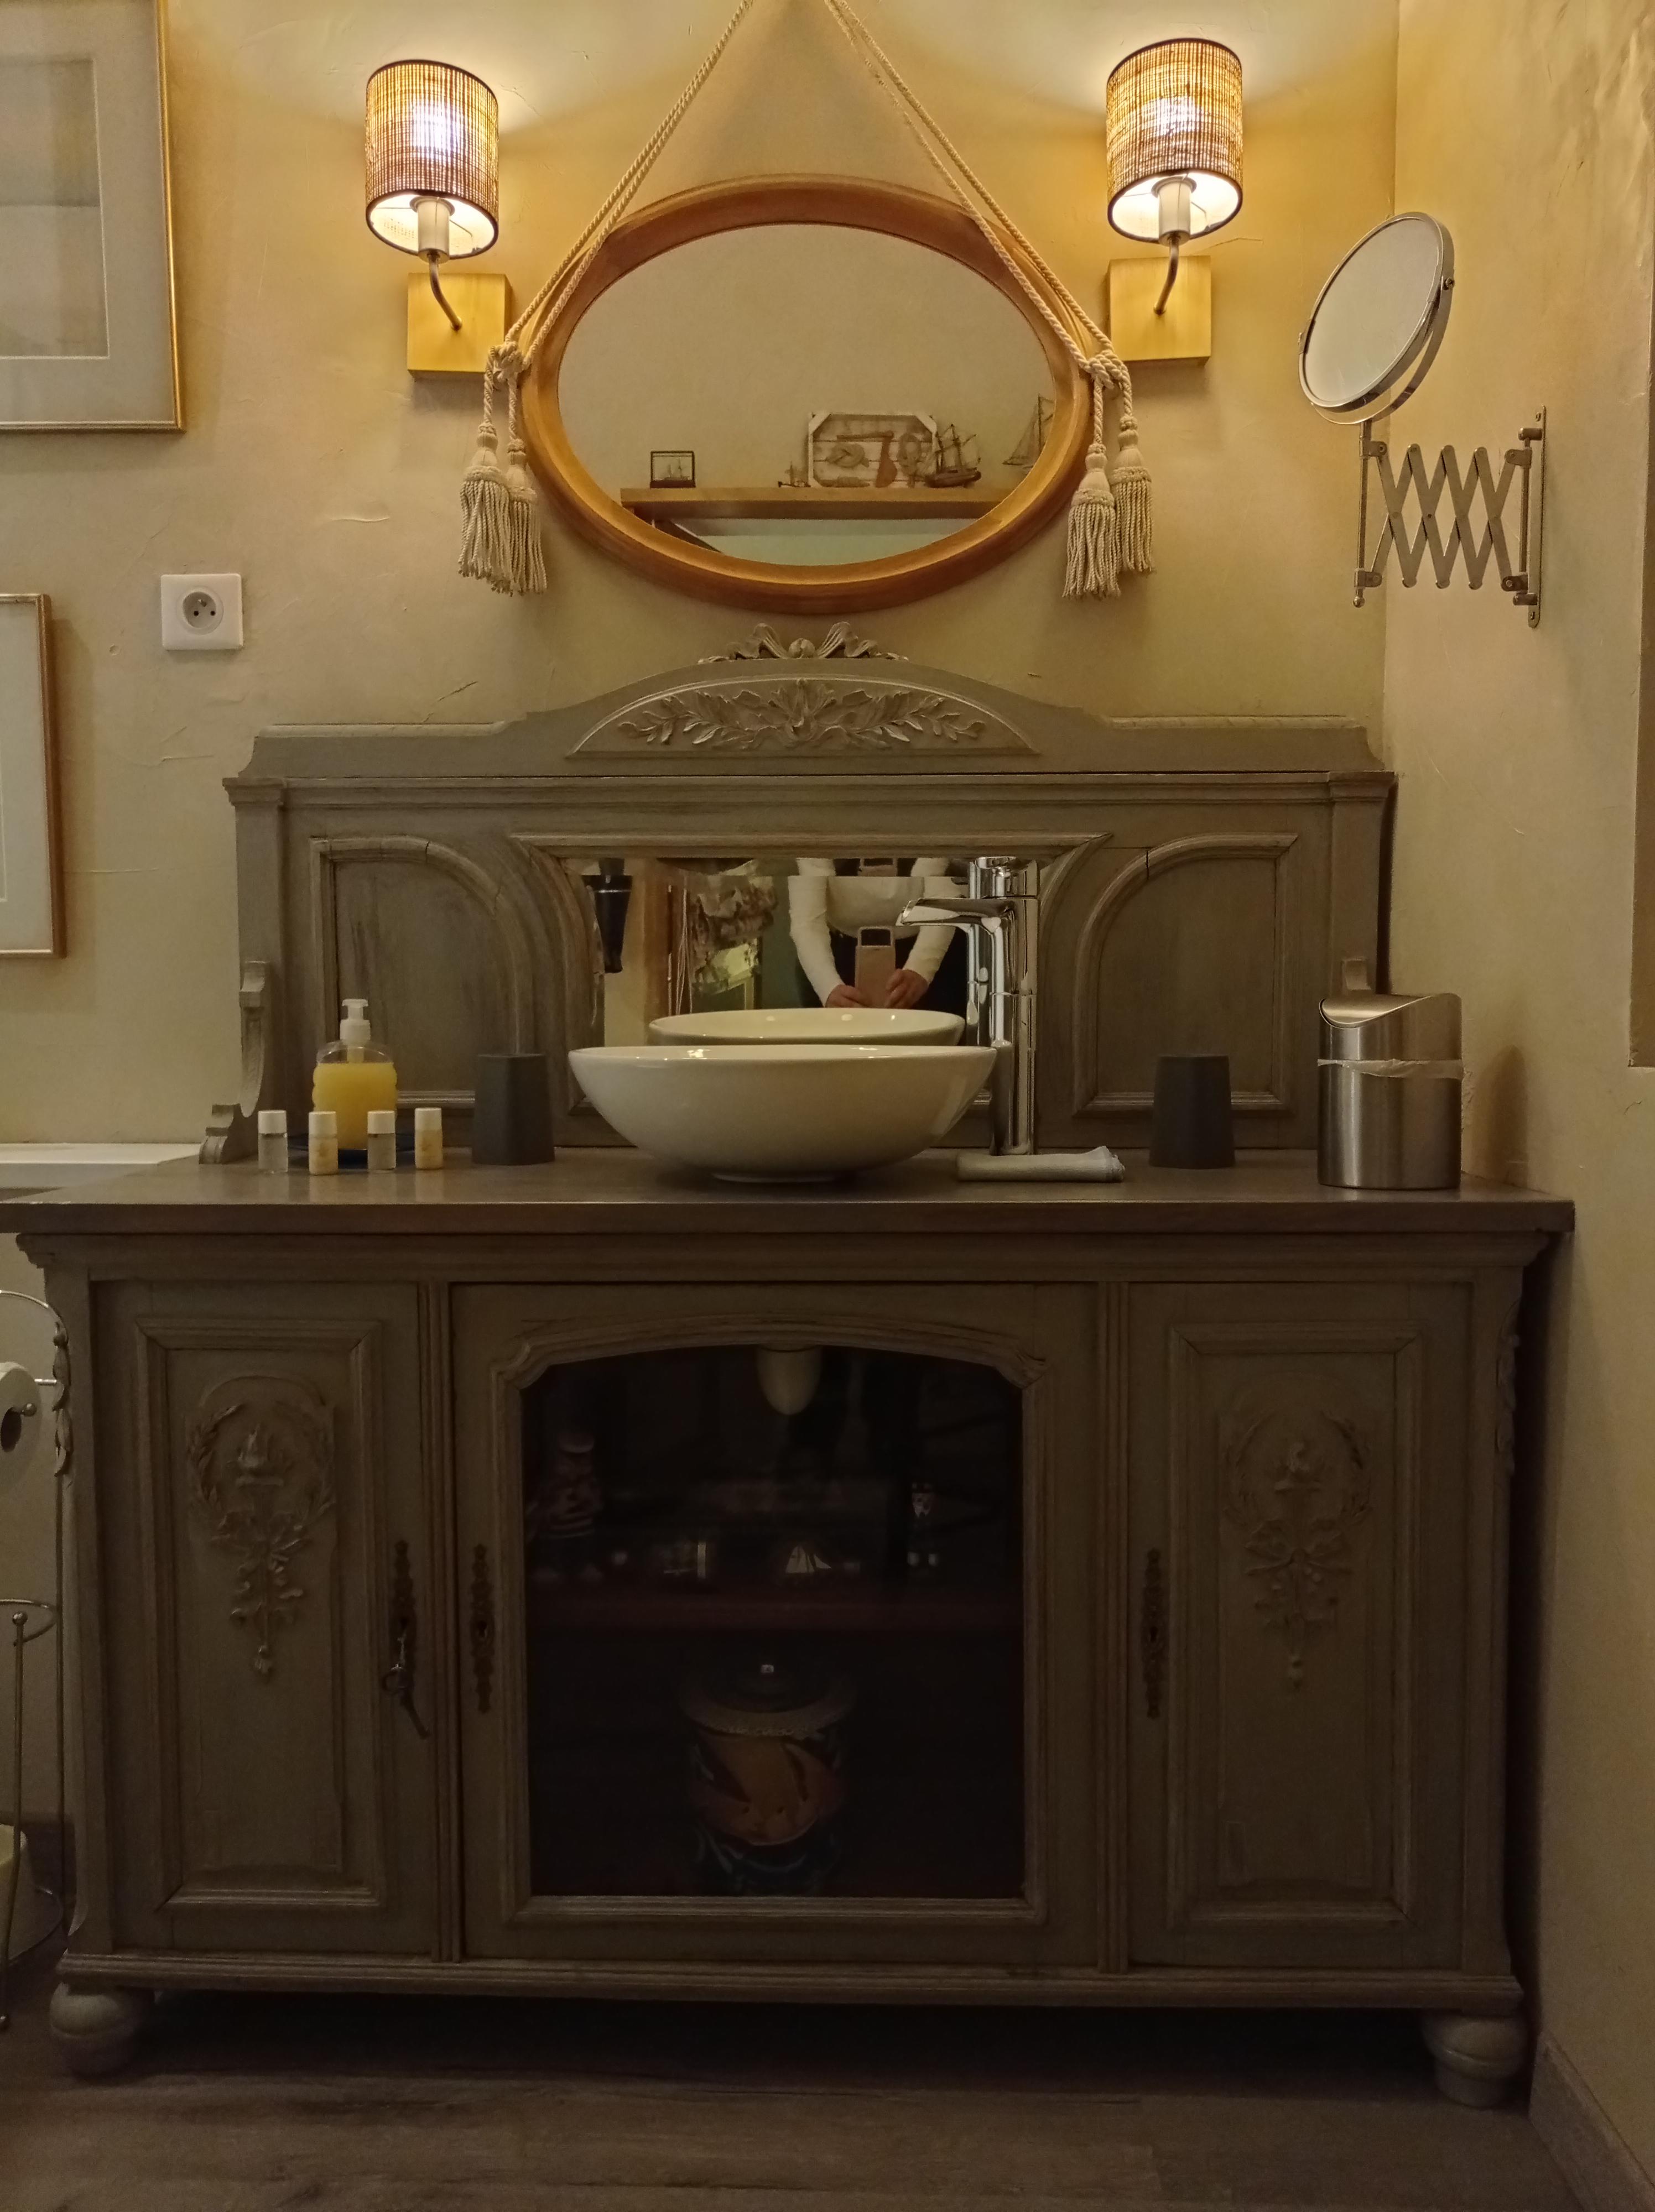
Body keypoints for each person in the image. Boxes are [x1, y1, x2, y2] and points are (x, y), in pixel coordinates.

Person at [787, 857, 967, 1014]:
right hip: (838, 955)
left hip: (935, 951)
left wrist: (922, 968)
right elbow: (807, 921)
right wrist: (828, 987)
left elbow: (941, 898)